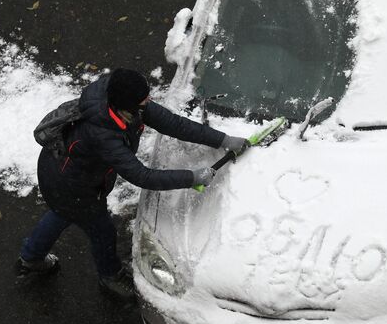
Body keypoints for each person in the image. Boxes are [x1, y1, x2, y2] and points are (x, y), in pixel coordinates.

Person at [16, 68, 249, 300]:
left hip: (62, 172)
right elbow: (142, 176)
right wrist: (192, 177)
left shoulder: (120, 99)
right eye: (143, 99)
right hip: (71, 186)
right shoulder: (102, 134)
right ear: (127, 105)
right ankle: (110, 276)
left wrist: (222, 139)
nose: (148, 101)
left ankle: (31, 257)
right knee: (102, 231)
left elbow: (173, 124)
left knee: (61, 214)